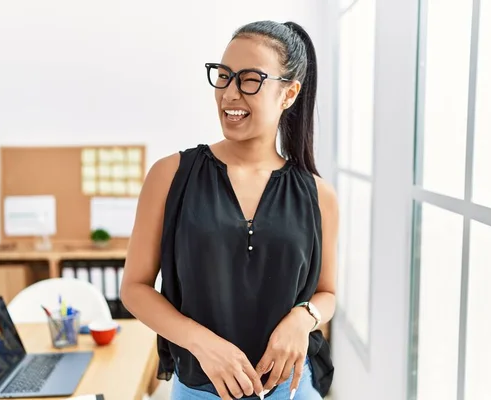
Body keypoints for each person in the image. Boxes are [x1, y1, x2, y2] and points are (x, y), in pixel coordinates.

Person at [121, 20, 337, 400]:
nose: (230, 94)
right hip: (200, 390)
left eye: (249, 79)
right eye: (223, 77)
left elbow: (327, 293)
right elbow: (134, 289)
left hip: (291, 390)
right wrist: (202, 343)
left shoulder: (319, 195)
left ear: (288, 94)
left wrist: (303, 318)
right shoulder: (171, 175)